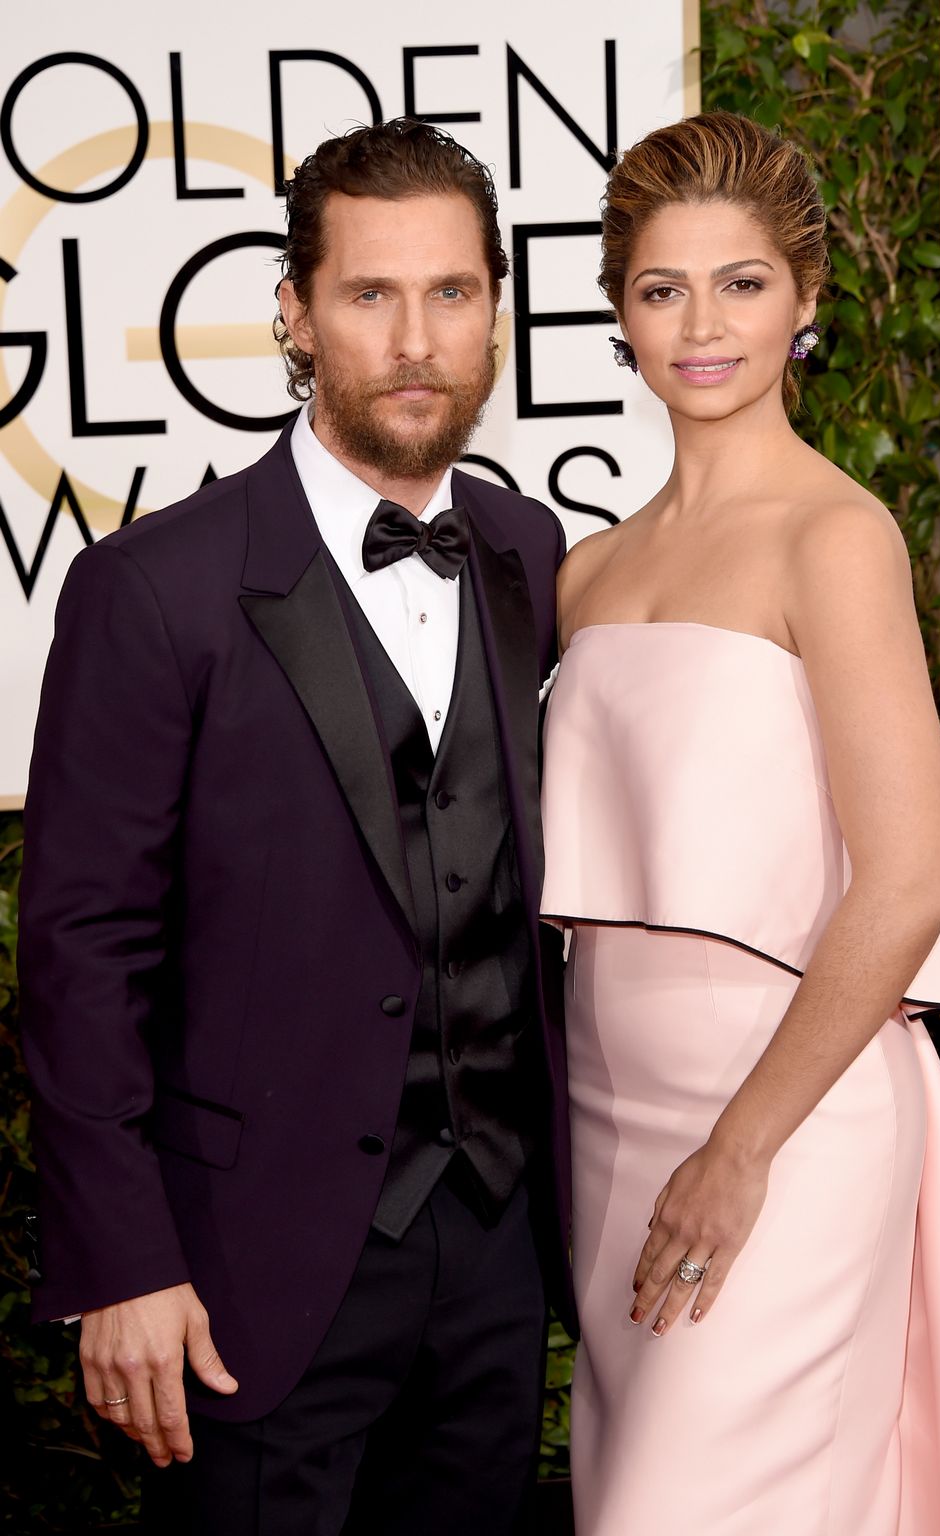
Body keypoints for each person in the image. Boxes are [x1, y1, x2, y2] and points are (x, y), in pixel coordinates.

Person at [18, 118, 573, 1536]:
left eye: (451, 293)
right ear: (294, 311)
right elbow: (82, 950)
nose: (413, 339)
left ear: (497, 312)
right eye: (369, 294)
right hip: (244, 1269)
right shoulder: (154, 590)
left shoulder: (533, 554)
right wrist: (121, 1263)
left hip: (499, 1257)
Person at [539, 111, 940, 1534]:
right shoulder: (585, 570)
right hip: (610, 1127)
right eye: (661, 287)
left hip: (787, 1121)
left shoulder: (835, 535)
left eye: (741, 284)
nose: (702, 326)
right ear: (618, 310)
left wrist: (739, 1147)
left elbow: (906, 884)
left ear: (806, 300)